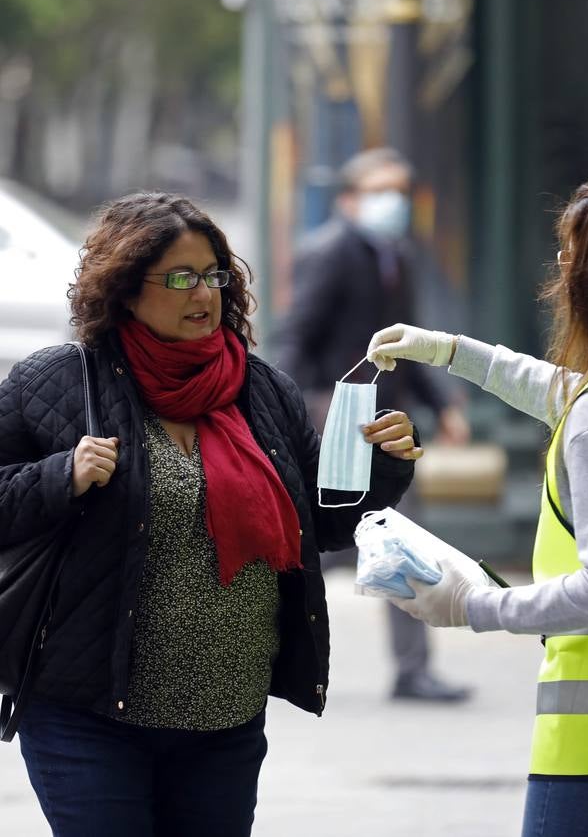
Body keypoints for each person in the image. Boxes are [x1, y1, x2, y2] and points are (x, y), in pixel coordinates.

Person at [0, 191, 422, 837]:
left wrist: (385, 466)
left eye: (214, 275)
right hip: (87, 716)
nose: (203, 294)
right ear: (124, 290)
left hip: (224, 720)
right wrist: (62, 476)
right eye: (179, 278)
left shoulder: (260, 390)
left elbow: (322, 527)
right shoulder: (57, 381)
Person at [367, 170, 588, 837]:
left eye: (570, 256)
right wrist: (449, 352)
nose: (561, 270)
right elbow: (568, 392)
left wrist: (474, 606)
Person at [275, 146, 472, 703]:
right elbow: (296, 337)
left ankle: (411, 668)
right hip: (338, 420)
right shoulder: (331, 252)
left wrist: (443, 404)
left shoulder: (395, 255)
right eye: (381, 191)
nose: (395, 203)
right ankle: (264, 635)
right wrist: (289, 419)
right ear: (349, 200)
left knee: (377, 539)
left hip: (386, 425)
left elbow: (404, 344)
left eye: (402, 192)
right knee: (362, 538)